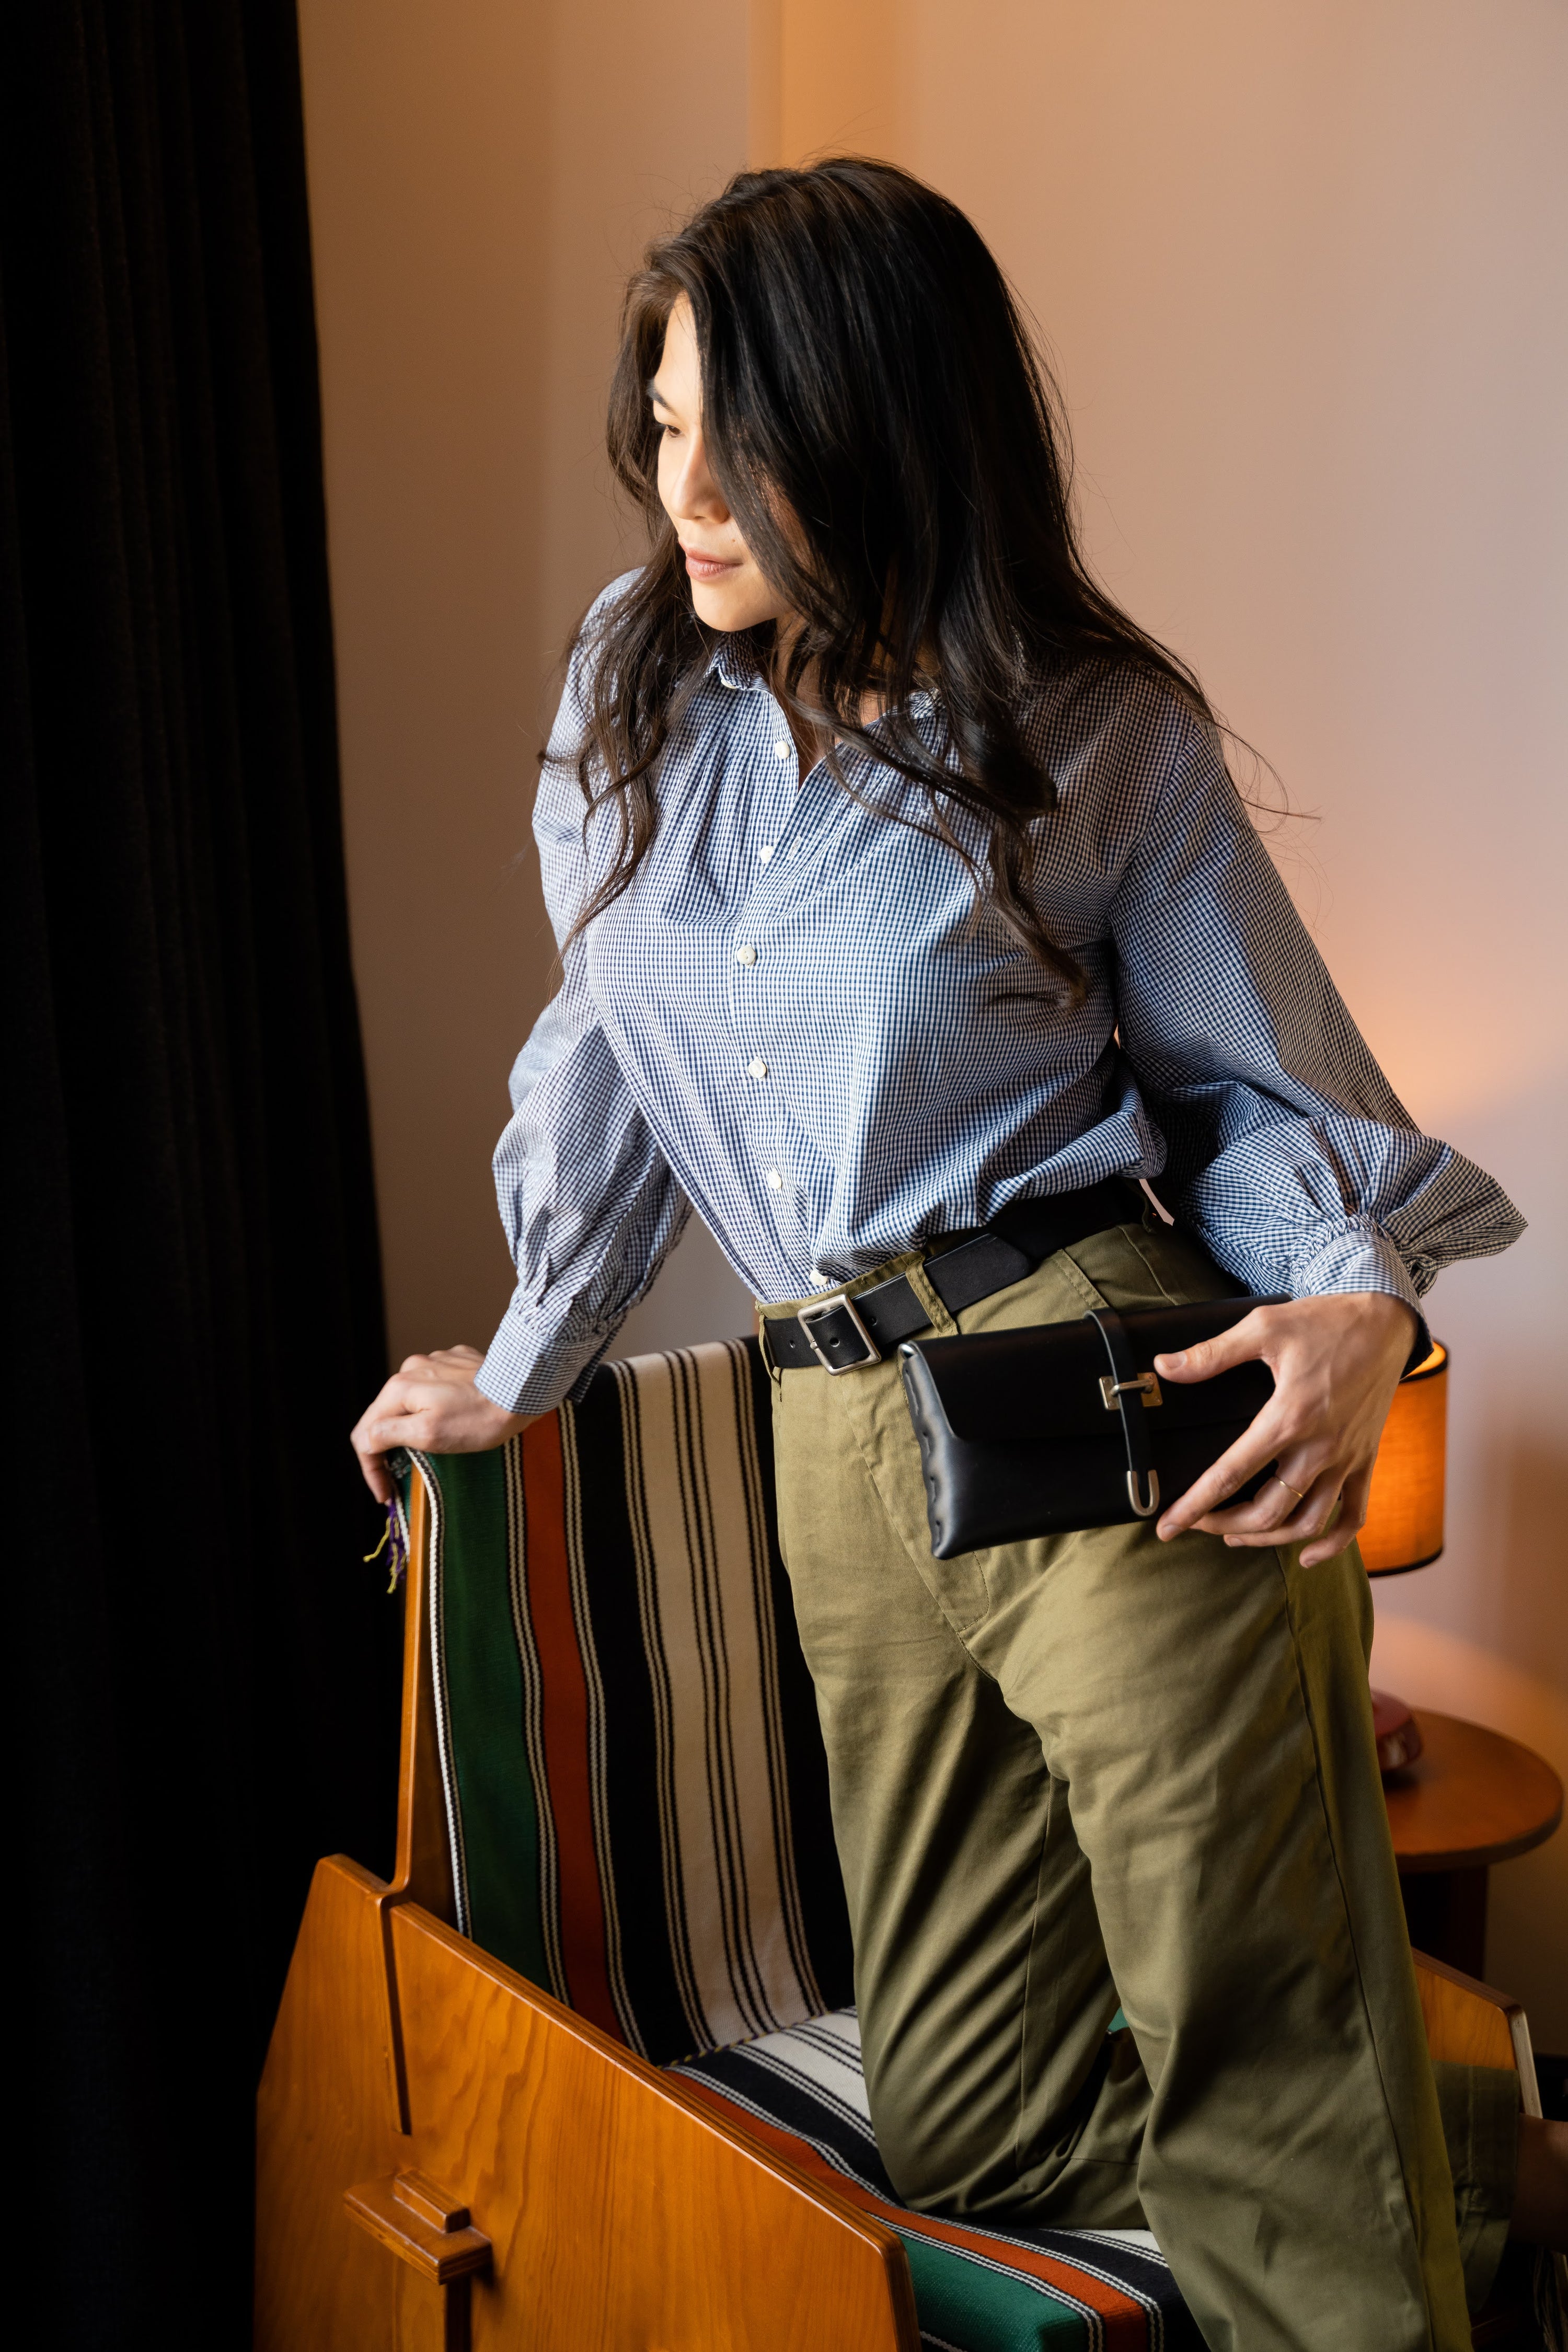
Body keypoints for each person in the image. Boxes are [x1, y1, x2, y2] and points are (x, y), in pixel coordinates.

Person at [352, 160, 1564, 2348]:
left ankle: (1373, 2236)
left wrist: (1365, 1304)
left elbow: (1255, 1089)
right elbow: (612, 1060)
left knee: (1258, 2035)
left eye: (739, 424)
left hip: (1093, 1390)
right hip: (833, 1439)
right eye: (660, 416)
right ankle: (1472, 2174)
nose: (681, 477)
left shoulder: (1094, 725)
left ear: (883, 418)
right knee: (972, 2111)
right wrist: (520, 1367)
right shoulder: (630, 689)